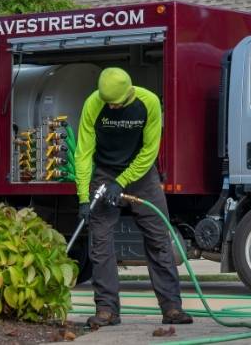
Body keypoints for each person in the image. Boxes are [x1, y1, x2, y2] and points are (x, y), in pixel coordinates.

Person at [75, 67, 193, 327]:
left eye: (116, 103)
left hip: (142, 175)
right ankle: (107, 310)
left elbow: (150, 150)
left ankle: (172, 307)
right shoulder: (94, 104)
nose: (112, 108)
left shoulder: (148, 102)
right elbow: (83, 153)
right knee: (100, 241)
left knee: (158, 238)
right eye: (109, 104)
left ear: (129, 92)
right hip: (105, 173)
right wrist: (84, 197)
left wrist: (123, 181)